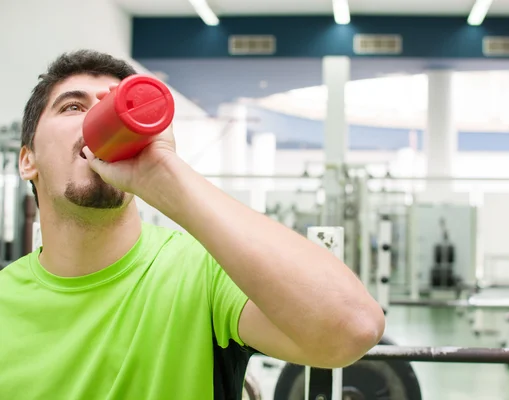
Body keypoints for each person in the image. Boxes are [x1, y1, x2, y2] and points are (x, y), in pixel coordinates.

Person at [0, 50, 385, 400]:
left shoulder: (203, 271)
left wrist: (164, 173)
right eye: (72, 107)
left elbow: (353, 327)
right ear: (27, 160)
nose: (97, 118)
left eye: (113, 104)